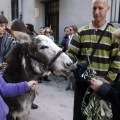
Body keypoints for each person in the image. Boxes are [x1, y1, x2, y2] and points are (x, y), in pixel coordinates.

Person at [67, 0, 120, 120]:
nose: (97, 12)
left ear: (108, 9)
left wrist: (106, 82)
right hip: (82, 85)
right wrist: (68, 66)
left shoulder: (113, 34)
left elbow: (117, 61)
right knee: (79, 116)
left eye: (100, 8)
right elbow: (71, 54)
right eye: (94, 8)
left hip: (102, 87)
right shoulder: (81, 31)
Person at [11, 19, 38, 109]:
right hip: (28, 67)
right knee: (28, 84)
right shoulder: (26, 38)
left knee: (19, 85)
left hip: (19, 67)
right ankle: (29, 101)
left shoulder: (14, 39)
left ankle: (24, 102)